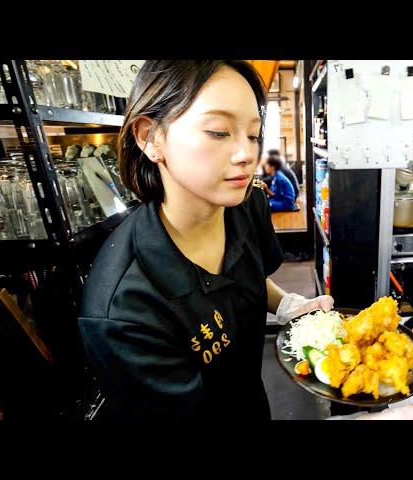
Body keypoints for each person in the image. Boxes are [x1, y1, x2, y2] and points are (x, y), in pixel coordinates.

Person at [77, 60, 334, 421]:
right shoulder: (123, 311)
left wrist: (287, 304)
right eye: (218, 131)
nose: (247, 154)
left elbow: (247, 274)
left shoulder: (247, 204)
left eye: (253, 134)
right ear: (150, 137)